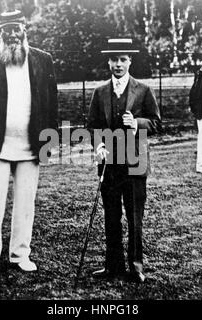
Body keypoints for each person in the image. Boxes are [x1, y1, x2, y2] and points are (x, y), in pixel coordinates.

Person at [0, 10, 58, 279]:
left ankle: (20, 255)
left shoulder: (42, 60)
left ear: (24, 28)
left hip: (31, 147)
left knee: (25, 205)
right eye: (6, 29)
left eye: (16, 28)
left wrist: (49, 139)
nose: (12, 34)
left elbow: (52, 104)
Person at [87, 39, 161, 283]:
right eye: (114, 60)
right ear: (108, 62)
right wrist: (98, 145)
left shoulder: (143, 89)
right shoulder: (99, 92)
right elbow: (94, 126)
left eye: (123, 59)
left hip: (135, 163)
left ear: (130, 61)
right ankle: (112, 266)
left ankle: (135, 266)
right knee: (111, 216)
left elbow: (157, 123)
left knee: (134, 216)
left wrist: (137, 123)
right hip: (109, 165)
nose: (118, 64)